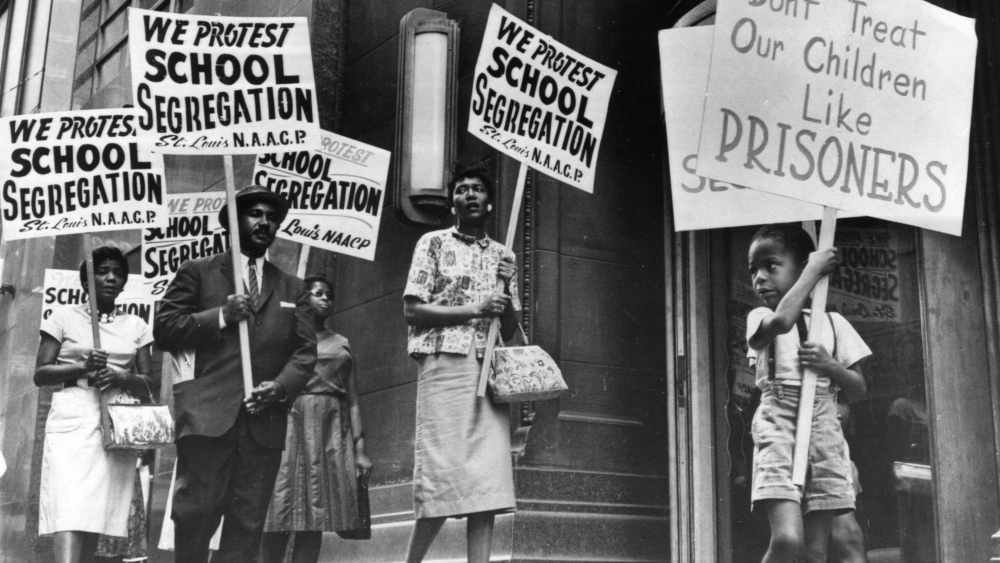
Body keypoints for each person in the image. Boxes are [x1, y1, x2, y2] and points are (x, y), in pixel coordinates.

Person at [154, 185, 316, 563]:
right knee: (196, 516)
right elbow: (164, 328)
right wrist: (222, 315)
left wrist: (279, 387)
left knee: (247, 526)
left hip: (263, 423)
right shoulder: (199, 272)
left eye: (272, 217)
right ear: (233, 221)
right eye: (255, 213)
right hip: (209, 418)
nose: (265, 222)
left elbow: (305, 351)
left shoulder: (293, 286)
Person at [402, 167, 520, 563]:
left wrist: (509, 285)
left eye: (478, 190)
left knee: (486, 482)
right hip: (444, 364)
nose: (470, 195)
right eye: (462, 190)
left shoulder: (504, 255)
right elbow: (412, 309)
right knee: (442, 474)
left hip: (487, 369)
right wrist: (475, 308)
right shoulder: (431, 243)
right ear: (452, 201)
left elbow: (512, 328)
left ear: (489, 202)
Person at [745, 224, 872, 563]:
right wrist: (814, 270)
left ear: (799, 268)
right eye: (753, 270)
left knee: (816, 551)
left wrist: (831, 367)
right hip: (779, 421)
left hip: (823, 424)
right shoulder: (761, 317)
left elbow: (858, 389)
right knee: (788, 540)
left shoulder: (833, 323)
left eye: (770, 266)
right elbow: (783, 323)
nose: (759, 277)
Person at [34, 246, 154, 563]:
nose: (111, 278)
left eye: (117, 273)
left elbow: (149, 383)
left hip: (115, 418)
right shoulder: (62, 317)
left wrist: (118, 376)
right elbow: (41, 373)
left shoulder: (137, 326)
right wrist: (84, 367)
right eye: (102, 272)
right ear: (87, 280)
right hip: (73, 415)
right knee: (69, 506)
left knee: (99, 513)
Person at [261, 276, 373, 563]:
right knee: (280, 507)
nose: (325, 299)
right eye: (317, 293)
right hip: (290, 425)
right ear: (303, 299)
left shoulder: (341, 343)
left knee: (317, 513)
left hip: (330, 430)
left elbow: (354, 400)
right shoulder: (287, 341)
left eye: (329, 295)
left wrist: (360, 451)